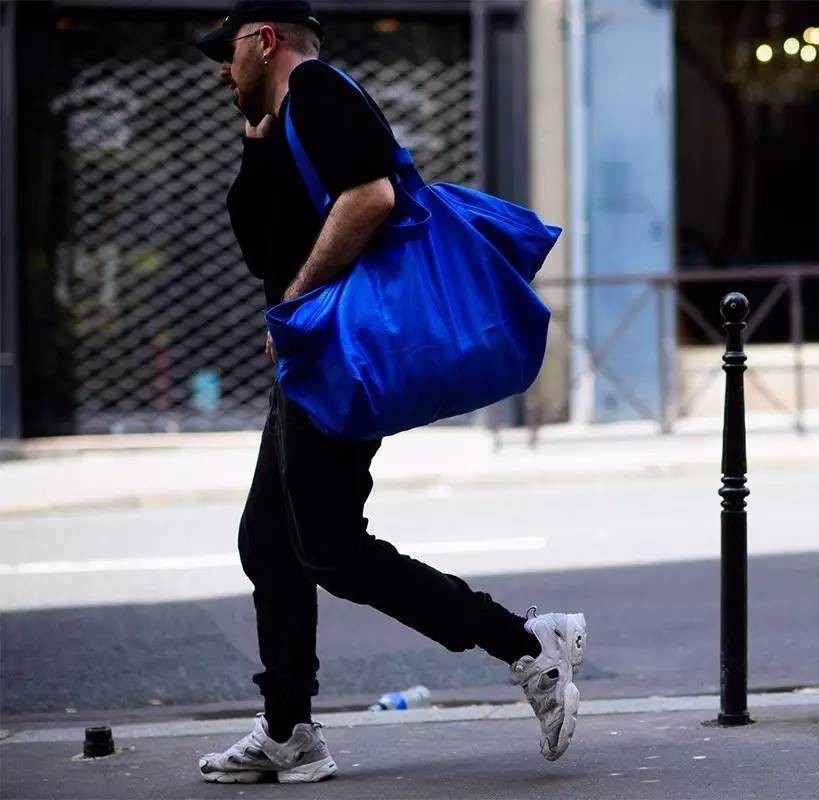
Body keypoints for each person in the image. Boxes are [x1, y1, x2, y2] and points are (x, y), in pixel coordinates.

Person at [193, 1, 586, 784]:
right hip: (311, 358)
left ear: (263, 40)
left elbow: (372, 196)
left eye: (227, 52)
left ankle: (524, 644)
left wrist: (299, 304)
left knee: (329, 549)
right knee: (269, 545)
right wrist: (257, 148)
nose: (220, 69)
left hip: (334, 353)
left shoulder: (319, 92)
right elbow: (262, 242)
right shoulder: (286, 119)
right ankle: (287, 730)